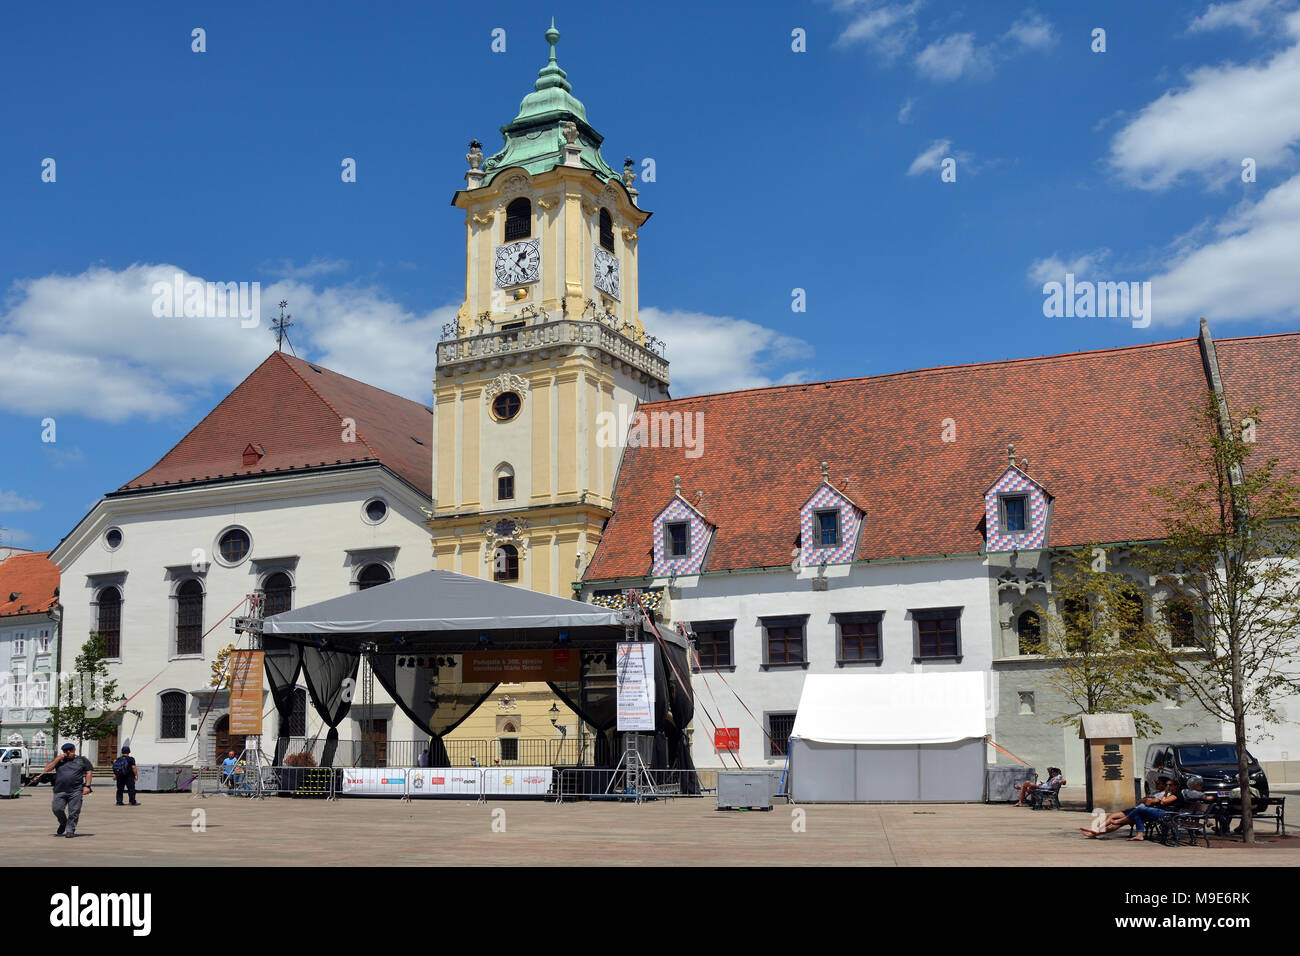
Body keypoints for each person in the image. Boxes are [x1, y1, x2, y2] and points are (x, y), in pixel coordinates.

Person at [41, 743, 94, 839]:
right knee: (57, 809)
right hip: (60, 790)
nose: (68, 753)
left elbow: (89, 772)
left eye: (70, 750)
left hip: (76, 790)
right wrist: (57, 759)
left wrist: (87, 786)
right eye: (66, 751)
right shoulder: (60, 761)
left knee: (74, 811)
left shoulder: (82, 760)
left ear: (74, 749)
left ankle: (70, 830)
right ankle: (63, 823)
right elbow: (47, 769)